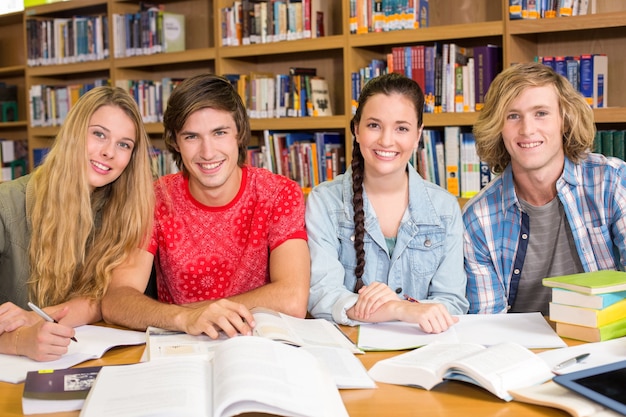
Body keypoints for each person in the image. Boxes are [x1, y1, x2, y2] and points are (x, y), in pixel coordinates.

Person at [101, 73, 310, 338]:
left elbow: (292, 298)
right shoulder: (154, 199)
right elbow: (116, 300)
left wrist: (206, 312)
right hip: (181, 343)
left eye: (219, 133)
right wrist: (185, 317)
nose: (208, 152)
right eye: (191, 137)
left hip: (256, 346)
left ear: (240, 133)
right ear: (176, 142)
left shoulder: (280, 194)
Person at [0, 86, 155, 361]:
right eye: (99, 134)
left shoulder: (124, 213)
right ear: (74, 133)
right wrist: (18, 341)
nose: (108, 152)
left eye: (124, 144)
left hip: (82, 360)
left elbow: (102, 299)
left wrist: (40, 319)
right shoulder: (6, 204)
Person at [306, 73, 469, 333]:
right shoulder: (324, 201)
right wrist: (398, 309)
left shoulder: (445, 208)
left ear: (418, 135)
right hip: (349, 350)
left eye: (401, 128)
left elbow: (452, 301)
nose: (386, 140)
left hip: (425, 347)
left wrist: (402, 309)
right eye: (374, 125)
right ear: (356, 129)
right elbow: (322, 297)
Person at [463, 62, 626, 315]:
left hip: (606, 342)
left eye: (541, 113)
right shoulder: (478, 218)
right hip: (521, 349)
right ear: (498, 128)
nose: (527, 129)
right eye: (513, 116)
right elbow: (488, 321)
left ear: (564, 119)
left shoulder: (611, 182)